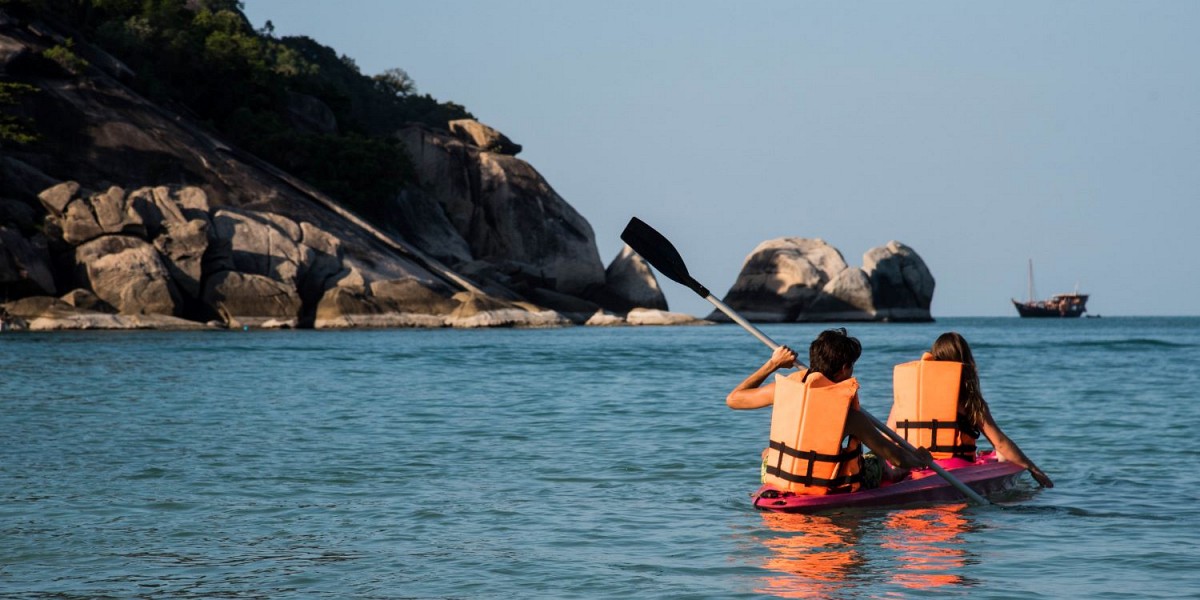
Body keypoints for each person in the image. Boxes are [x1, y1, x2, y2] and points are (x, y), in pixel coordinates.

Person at [727, 328, 930, 493]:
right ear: (844, 368)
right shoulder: (850, 416)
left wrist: (773, 364)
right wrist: (919, 460)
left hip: (780, 477)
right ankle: (895, 475)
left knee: (768, 453)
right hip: (829, 485)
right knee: (877, 459)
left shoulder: (782, 390)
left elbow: (734, 399)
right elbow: (895, 456)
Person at [894, 332, 1053, 488]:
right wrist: (1033, 469)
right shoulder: (968, 401)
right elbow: (1000, 443)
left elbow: (887, 437)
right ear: (965, 362)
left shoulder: (910, 396)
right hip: (954, 468)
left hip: (913, 464)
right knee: (1003, 455)